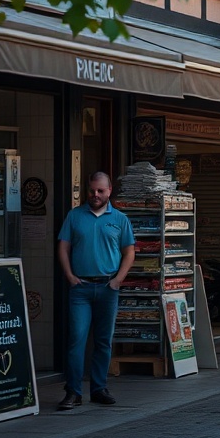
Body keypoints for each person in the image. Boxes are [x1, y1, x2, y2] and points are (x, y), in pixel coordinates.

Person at [56, 171, 136, 411]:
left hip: (107, 287)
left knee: (103, 341)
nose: (96, 195)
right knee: (77, 340)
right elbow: (63, 248)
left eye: (101, 191)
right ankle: (73, 392)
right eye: (92, 191)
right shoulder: (74, 216)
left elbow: (129, 252)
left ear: (109, 191)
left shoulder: (120, 219)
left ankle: (99, 388)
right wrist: (70, 276)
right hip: (80, 288)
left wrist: (118, 280)